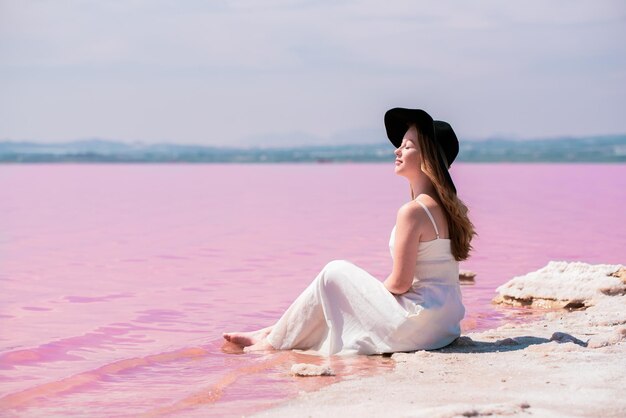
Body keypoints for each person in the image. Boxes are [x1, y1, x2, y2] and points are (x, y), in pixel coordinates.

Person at [222, 108, 476, 356]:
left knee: (334, 273)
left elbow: (400, 284)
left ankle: (271, 343)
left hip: (416, 327)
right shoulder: (449, 210)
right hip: (444, 326)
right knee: (340, 290)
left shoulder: (413, 211)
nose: (397, 150)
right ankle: (272, 333)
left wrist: (364, 295)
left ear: (428, 158)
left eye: (407, 146)